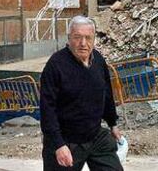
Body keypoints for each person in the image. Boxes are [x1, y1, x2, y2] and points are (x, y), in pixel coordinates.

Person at [40, 15, 123, 171]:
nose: (83, 43)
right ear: (69, 38)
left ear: (93, 39)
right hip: (66, 140)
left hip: (95, 136)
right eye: (77, 37)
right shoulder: (56, 65)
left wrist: (113, 124)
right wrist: (58, 145)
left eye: (88, 38)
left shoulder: (98, 60)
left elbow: (106, 93)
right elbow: (47, 110)